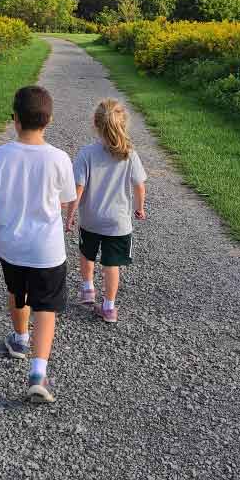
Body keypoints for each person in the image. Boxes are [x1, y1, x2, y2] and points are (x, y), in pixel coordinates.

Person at [0, 86, 77, 404]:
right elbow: (68, 200)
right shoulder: (59, 158)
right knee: (46, 308)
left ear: (15, 119)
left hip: (10, 247)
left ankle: (19, 339)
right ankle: (37, 373)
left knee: (18, 292)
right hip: (47, 250)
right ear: (49, 120)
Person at [68, 98, 147, 323]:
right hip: (118, 223)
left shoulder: (87, 153)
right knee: (112, 265)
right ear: (124, 124)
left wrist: (70, 215)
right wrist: (139, 208)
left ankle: (87, 289)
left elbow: (78, 188)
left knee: (86, 253)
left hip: (91, 219)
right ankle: (109, 307)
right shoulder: (129, 154)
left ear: (95, 123)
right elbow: (139, 185)